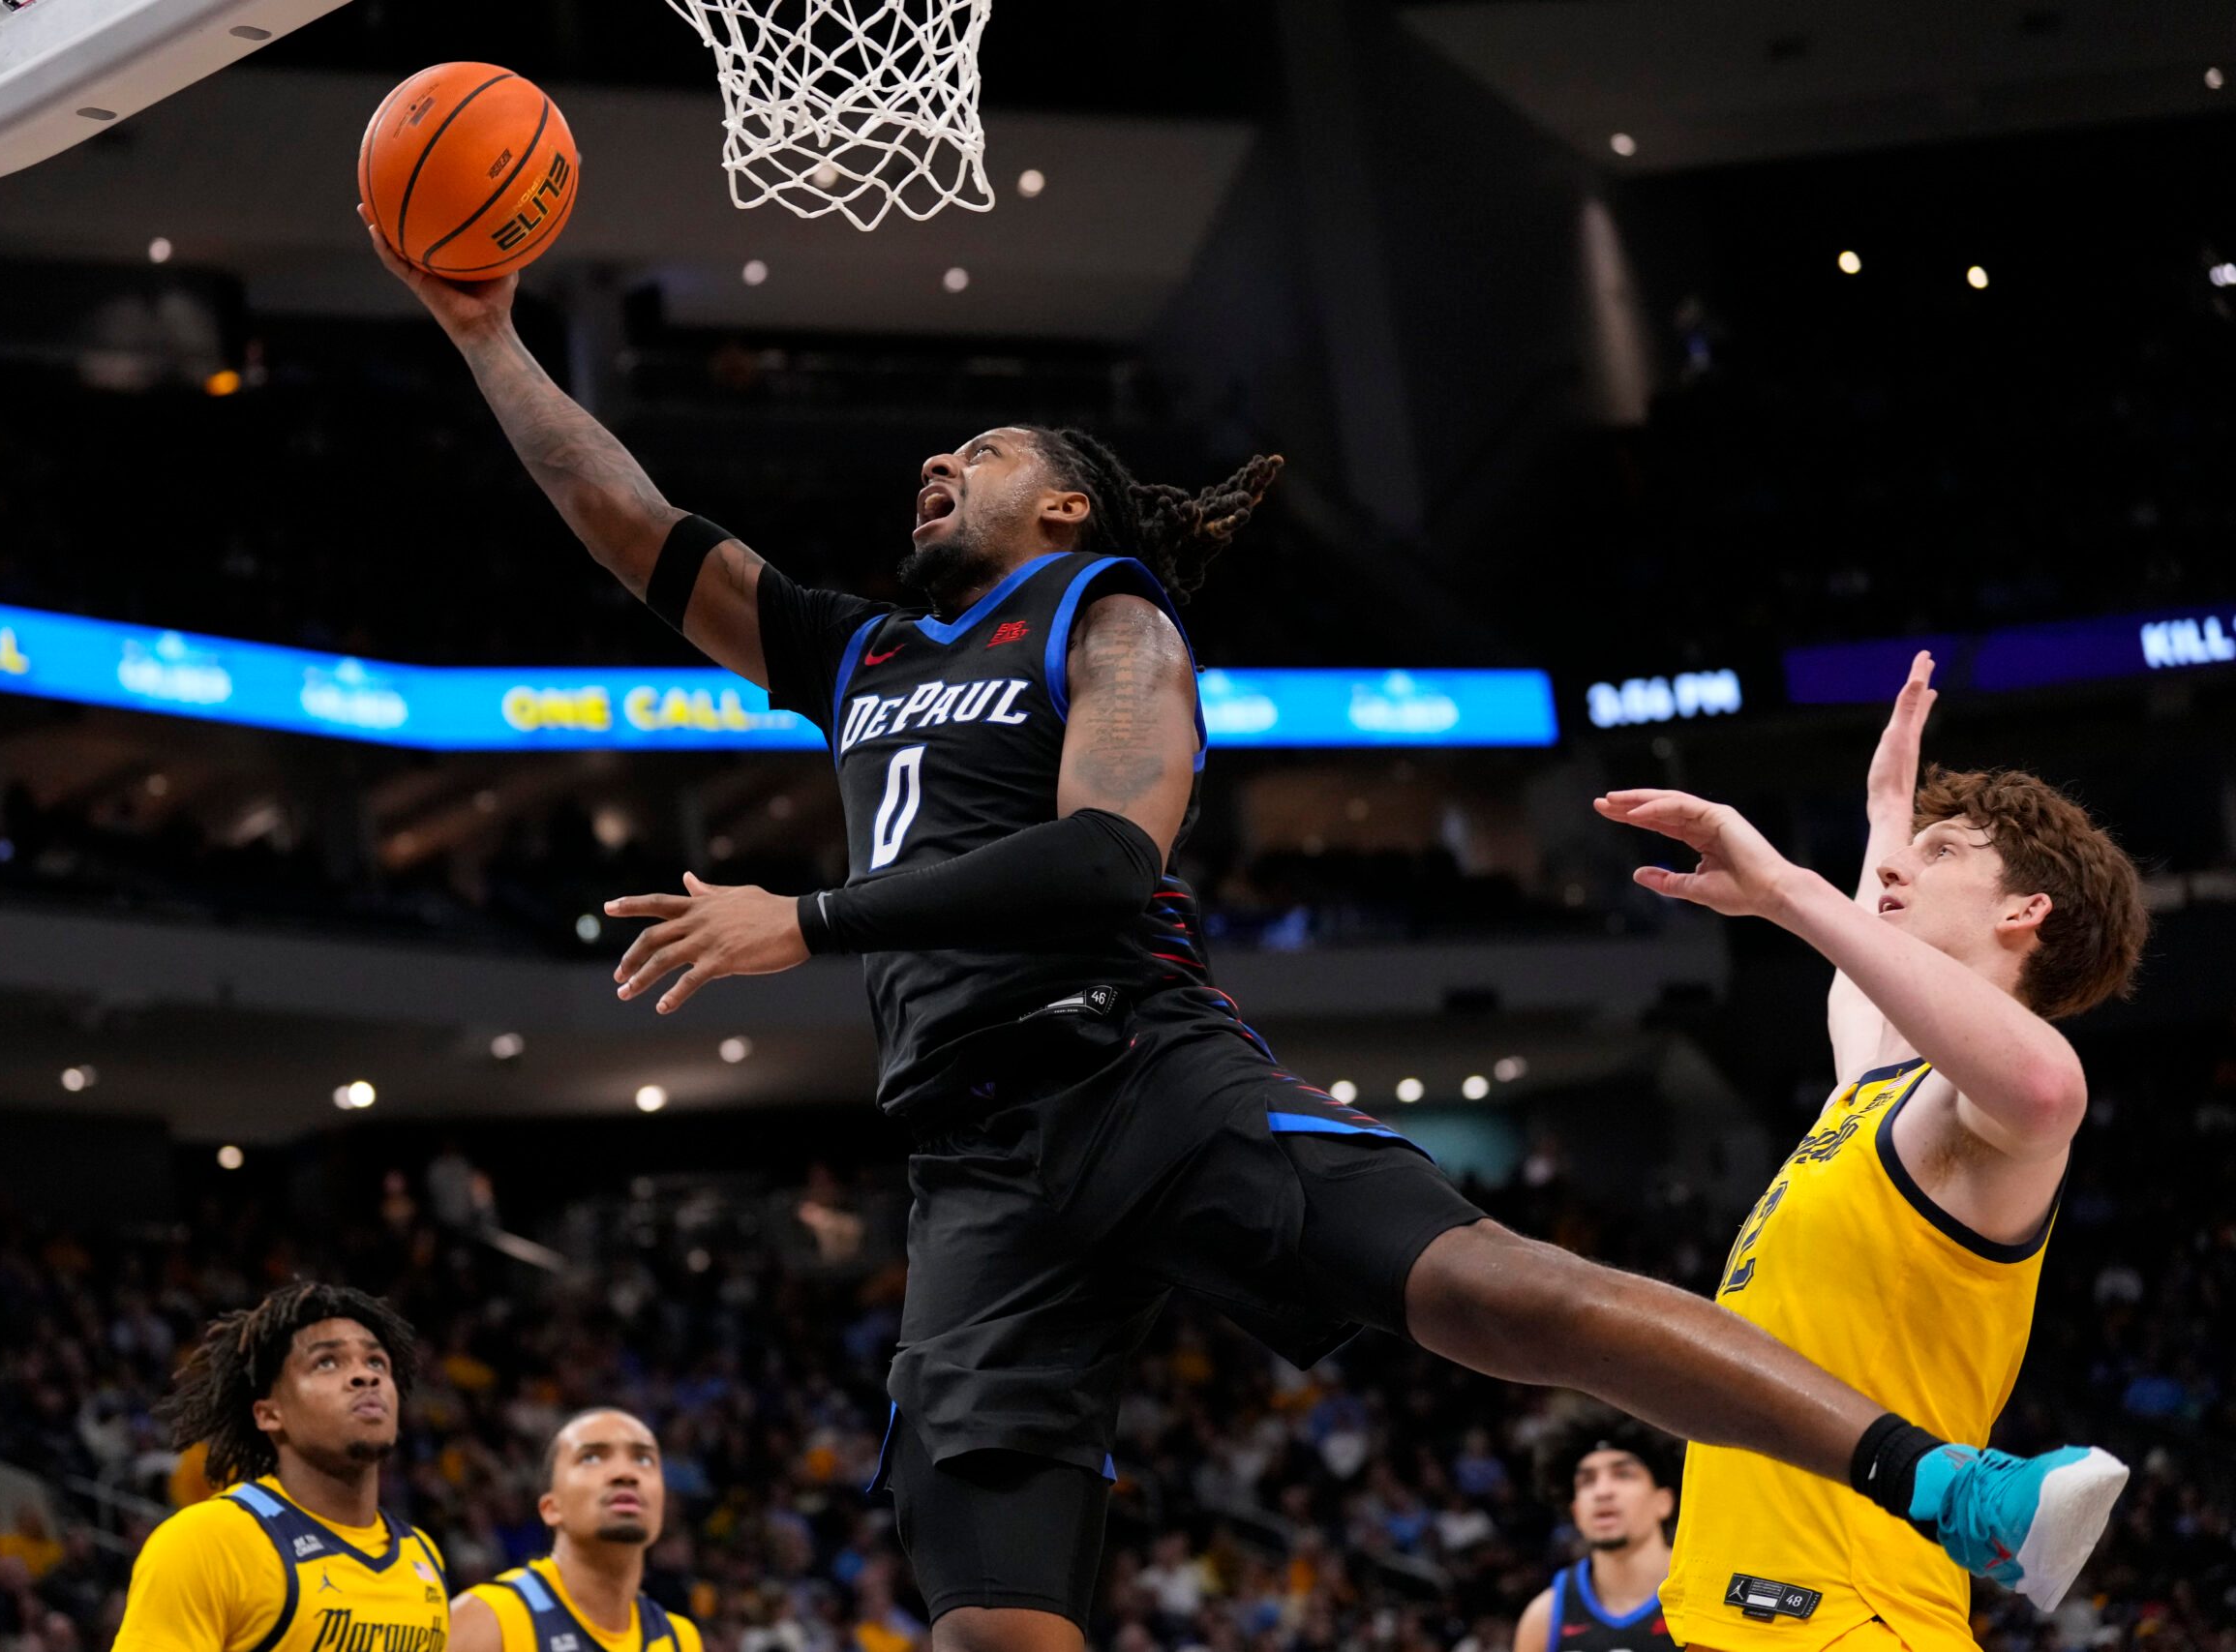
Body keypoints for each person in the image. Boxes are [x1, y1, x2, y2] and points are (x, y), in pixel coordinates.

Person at [369, 226, 2131, 1652]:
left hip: (1136, 1061)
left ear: (1064, 506)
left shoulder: (1102, 612)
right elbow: (633, 523)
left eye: (975, 451)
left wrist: (805, 918)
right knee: (987, 1610)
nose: (934, 459)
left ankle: (1951, 1488)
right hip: (972, 1159)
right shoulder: (861, 657)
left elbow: (1091, 863)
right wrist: (487, 334)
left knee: (1487, 1292)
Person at [1596, 654, 2149, 1651]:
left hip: (1855, 1619)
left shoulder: (1981, 1124)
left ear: (2023, 912)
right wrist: (1886, 813)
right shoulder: (1874, 1095)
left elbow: (2045, 1087)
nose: (1893, 873)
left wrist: (1785, 888)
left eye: (1939, 858)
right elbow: (1857, 988)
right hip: (1732, 1613)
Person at [109, 1282, 448, 1652]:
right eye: (327, 1362)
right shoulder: (207, 1543)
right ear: (271, 1414)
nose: (366, 1377)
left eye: (376, 1362)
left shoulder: (423, 1555)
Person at [447, 1410, 705, 1652]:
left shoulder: (680, 1639)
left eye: (643, 1459)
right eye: (591, 1457)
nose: (626, 1473)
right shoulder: (487, 1619)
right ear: (551, 1508)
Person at [1514, 1412, 1679, 1652]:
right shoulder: (1545, 1617)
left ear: (1663, 1501)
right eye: (1587, 1481)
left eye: (1623, 1474)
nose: (1602, 1491)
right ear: (1576, 1511)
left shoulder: (1706, 1597)